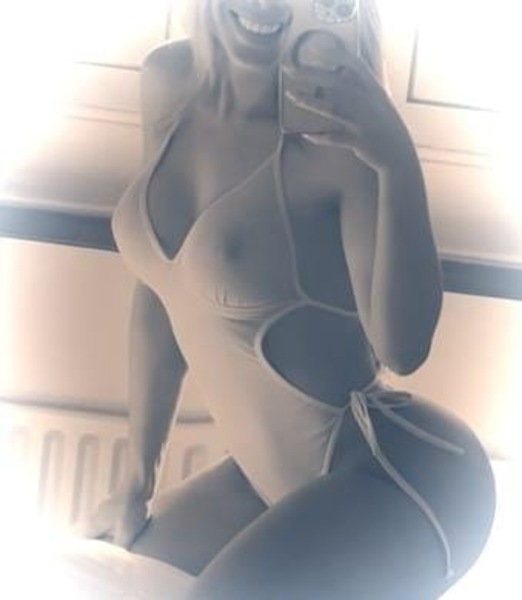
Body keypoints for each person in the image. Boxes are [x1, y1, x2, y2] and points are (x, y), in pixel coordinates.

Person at [84, 0, 495, 597]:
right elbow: (159, 287)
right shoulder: (168, 81)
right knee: (112, 577)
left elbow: (403, 349)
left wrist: (397, 160)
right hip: (263, 483)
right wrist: (136, 481)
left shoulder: (336, 137)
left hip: (399, 476)